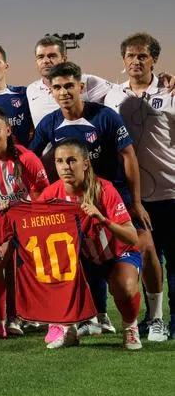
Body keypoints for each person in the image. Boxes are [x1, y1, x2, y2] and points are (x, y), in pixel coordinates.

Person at [30, 61, 155, 337]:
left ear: (81, 87)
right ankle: (95, 317)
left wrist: (135, 201)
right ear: (51, 91)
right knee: (82, 253)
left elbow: (128, 156)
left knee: (143, 245)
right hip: (73, 200)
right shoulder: (50, 123)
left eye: (69, 86)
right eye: (58, 87)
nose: (64, 92)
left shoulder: (105, 116)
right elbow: (30, 159)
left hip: (113, 194)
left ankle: (151, 316)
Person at [33, 139, 143, 349]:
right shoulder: (50, 195)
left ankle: (130, 328)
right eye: (59, 161)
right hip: (82, 259)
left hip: (116, 254)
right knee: (50, 269)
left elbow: (132, 237)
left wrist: (103, 219)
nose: (65, 166)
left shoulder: (105, 189)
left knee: (126, 288)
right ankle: (69, 329)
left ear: (85, 163)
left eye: (72, 160)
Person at [105, 32, 174, 341]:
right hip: (134, 197)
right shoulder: (112, 95)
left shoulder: (171, 92)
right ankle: (153, 318)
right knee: (147, 257)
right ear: (123, 60)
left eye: (142, 56)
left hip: (170, 190)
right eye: (130, 56)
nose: (136, 61)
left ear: (154, 60)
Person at [0, 110, 50, 339]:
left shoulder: (26, 158)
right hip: (1, 220)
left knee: (14, 266)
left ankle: (17, 317)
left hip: (30, 219)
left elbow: (43, 194)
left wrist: (15, 226)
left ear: (8, 130)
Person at [26, 34, 112, 127]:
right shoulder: (31, 90)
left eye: (52, 56)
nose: (46, 61)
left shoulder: (86, 81)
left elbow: (118, 93)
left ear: (64, 59)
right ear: (36, 61)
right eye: (40, 57)